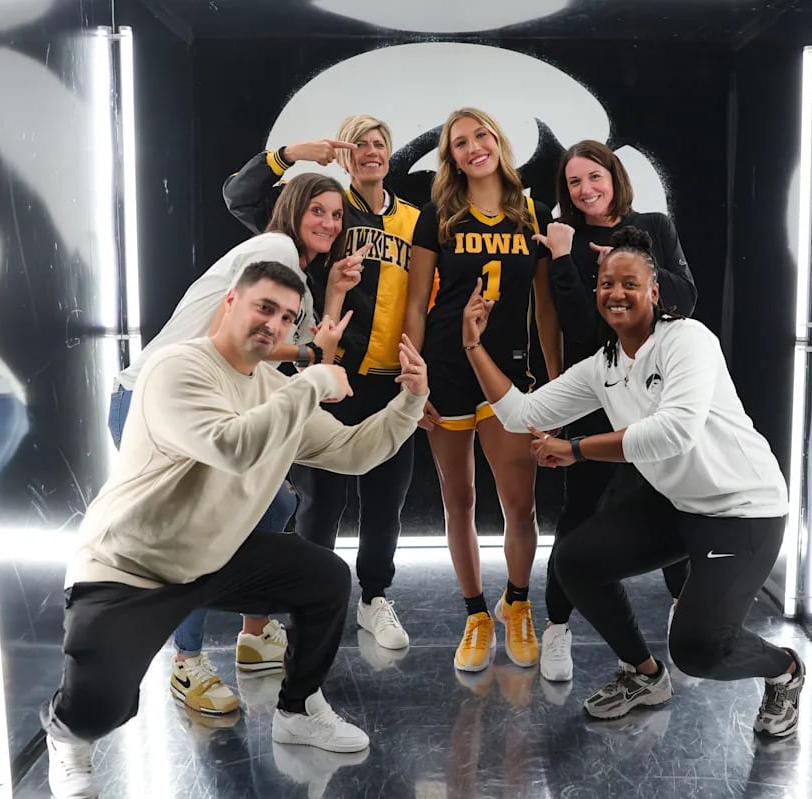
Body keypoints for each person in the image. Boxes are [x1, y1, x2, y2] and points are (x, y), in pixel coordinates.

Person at [41, 260, 430, 798]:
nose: (274, 324)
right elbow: (233, 446)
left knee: (324, 579)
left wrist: (409, 401)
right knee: (98, 710)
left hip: (216, 556)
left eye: (288, 317)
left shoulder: (275, 388)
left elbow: (352, 451)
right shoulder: (177, 368)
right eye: (263, 307)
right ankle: (65, 736)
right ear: (230, 303)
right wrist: (315, 379)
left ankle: (295, 710)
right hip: (132, 566)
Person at [461, 226, 804, 736]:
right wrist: (473, 346)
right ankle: (644, 675)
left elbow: (674, 432)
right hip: (679, 502)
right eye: (605, 284)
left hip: (742, 511)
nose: (615, 293)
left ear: (654, 292)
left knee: (699, 649)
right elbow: (523, 414)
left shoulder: (689, 340)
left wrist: (576, 449)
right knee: (575, 561)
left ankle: (785, 670)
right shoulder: (604, 365)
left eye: (628, 283)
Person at [108, 173, 368, 719]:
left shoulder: (292, 273)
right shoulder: (274, 249)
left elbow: (287, 347)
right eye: (317, 210)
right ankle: (186, 661)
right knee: (195, 531)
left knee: (276, 503)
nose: (329, 222)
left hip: (206, 401)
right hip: (158, 399)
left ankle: (254, 634)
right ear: (292, 210)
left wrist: (336, 293)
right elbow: (228, 340)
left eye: (337, 215)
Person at [223, 115, 423, 650]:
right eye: (359, 144)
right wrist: (290, 153)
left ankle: (375, 599)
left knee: (386, 501)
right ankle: (308, 606)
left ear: (390, 152)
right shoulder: (323, 209)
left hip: (388, 379)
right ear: (345, 155)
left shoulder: (414, 219)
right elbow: (241, 197)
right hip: (326, 378)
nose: (370, 152)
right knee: (319, 504)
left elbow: (429, 296)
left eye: (379, 143)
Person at [532, 139, 699, 682]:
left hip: (654, 389)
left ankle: (686, 611)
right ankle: (557, 628)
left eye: (593, 177)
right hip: (597, 389)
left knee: (671, 499)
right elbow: (581, 329)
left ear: (613, 175)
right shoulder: (564, 238)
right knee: (578, 512)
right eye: (574, 182)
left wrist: (628, 266)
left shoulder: (654, 225)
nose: (585, 190)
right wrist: (563, 257)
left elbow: (684, 299)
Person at [403, 107, 561, 673]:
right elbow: (416, 305)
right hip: (446, 368)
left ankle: (516, 603)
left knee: (520, 502)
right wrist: (413, 378)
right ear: (452, 157)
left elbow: (545, 309)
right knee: (459, 499)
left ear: (499, 140)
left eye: (482, 135)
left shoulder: (534, 215)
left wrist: (558, 386)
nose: (475, 148)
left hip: (508, 375)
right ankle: (475, 614)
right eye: (461, 142)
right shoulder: (437, 217)